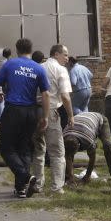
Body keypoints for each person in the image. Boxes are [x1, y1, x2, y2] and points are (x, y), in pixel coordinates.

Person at [0, 38, 51, 198]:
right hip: (31, 112)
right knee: (24, 148)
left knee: (6, 148)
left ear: (16, 49)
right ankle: (21, 189)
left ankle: (25, 177)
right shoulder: (38, 68)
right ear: (31, 50)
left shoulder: (9, 64)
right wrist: (45, 116)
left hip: (13, 110)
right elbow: (46, 94)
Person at [33, 44, 74, 194]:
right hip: (50, 111)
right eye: (65, 54)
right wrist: (70, 115)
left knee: (38, 149)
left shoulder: (38, 67)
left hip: (35, 111)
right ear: (56, 54)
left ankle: (37, 184)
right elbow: (64, 95)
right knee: (56, 151)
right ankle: (57, 186)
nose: (67, 58)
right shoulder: (60, 69)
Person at [62, 111, 111, 187]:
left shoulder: (87, 139)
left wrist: (87, 176)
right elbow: (67, 156)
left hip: (99, 120)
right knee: (68, 155)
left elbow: (92, 158)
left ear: (80, 145)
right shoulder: (63, 137)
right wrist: (71, 178)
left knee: (107, 145)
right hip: (83, 121)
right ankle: (69, 178)